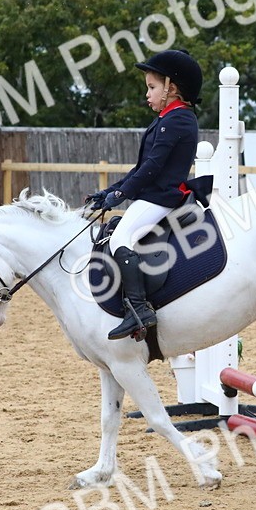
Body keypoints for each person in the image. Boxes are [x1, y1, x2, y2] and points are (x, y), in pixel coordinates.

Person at [86, 48, 202, 340]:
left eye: (152, 88)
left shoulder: (179, 119)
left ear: (171, 88)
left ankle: (138, 309)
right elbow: (140, 167)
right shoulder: (167, 118)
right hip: (153, 195)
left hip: (162, 197)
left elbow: (152, 168)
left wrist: (121, 195)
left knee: (120, 238)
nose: (147, 94)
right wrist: (110, 192)